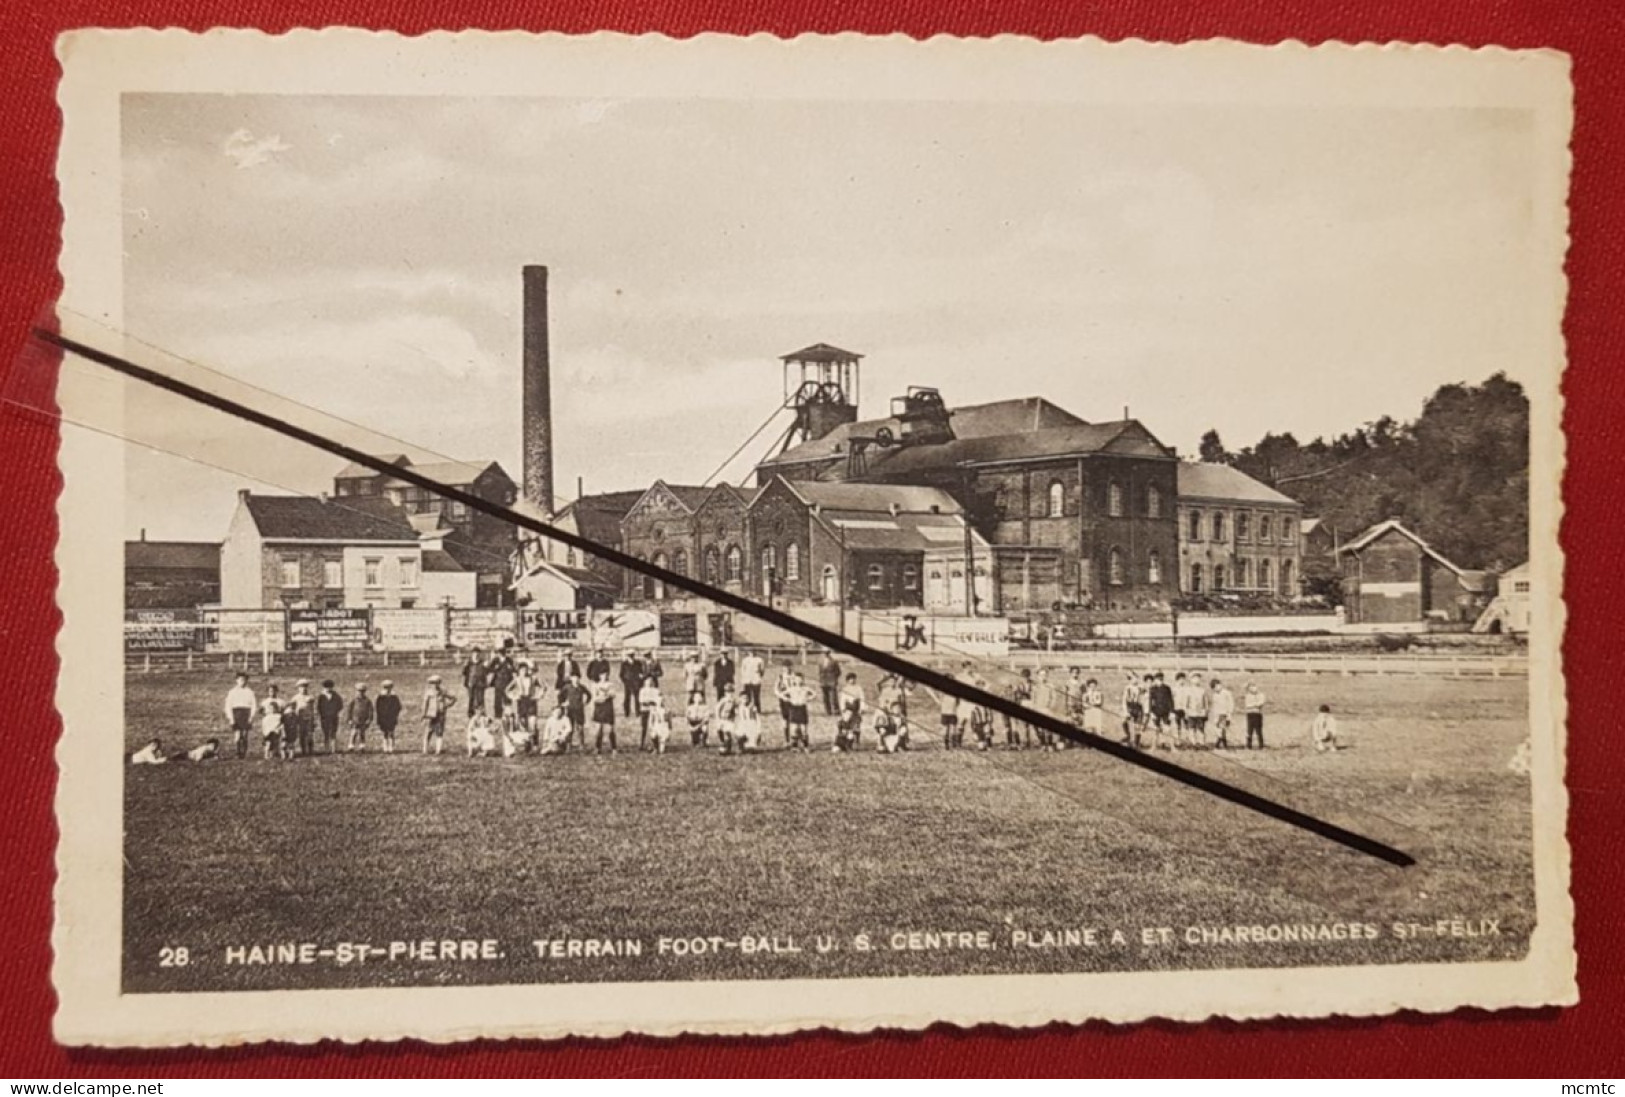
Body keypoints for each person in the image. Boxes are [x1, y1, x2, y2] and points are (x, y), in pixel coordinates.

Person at [223, 672, 256, 760]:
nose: (242, 682)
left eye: (244, 680)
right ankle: (238, 752)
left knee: (245, 734)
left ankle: (243, 753)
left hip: (246, 713)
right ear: (236, 680)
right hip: (236, 713)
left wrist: (251, 717)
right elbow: (228, 705)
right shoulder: (232, 692)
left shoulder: (250, 692)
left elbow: (253, 705)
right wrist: (231, 718)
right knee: (237, 734)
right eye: (240, 680)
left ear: (247, 681)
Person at [422, 674, 453, 755]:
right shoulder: (428, 692)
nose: (434, 685)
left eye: (436, 683)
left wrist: (446, 705)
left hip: (440, 714)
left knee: (439, 732)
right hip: (430, 715)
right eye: (432, 683)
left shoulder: (443, 691)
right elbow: (425, 704)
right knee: (428, 732)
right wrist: (423, 714)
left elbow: (453, 698)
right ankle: (425, 749)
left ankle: (438, 750)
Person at [835, 673, 865, 752]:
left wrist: (861, 709)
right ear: (847, 681)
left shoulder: (858, 688)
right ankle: (844, 744)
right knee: (845, 727)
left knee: (856, 728)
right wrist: (843, 710)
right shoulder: (845, 689)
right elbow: (842, 700)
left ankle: (855, 744)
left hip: (856, 710)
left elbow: (862, 699)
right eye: (850, 679)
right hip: (848, 710)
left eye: (853, 679)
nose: (852, 680)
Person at [1005, 668, 1034, 750]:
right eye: (1024, 677)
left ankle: (1027, 741)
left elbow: (1033, 694)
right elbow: (1014, 695)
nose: (1025, 678)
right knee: (1019, 723)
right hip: (1021, 703)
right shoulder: (1018, 685)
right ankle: (1019, 741)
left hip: (1029, 703)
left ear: (1029, 677)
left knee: (1027, 724)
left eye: (1027, 677)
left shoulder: (1032, 684)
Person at [590, 675, 618, 754]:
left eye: (605, 674)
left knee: (610, 728)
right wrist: (601, 698)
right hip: (599, 708)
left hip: (608, 707)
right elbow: (594, 698)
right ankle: (597, 748)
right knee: (599, 728)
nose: (603, 676)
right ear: (599, 675)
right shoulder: (596, 685)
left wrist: (607, 695)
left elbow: (613, 695)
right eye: (602, 674)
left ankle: (614, 748)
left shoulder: (610, 684)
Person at [289, 679, 316, 757]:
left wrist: (313, 719)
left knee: (310, 735)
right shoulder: (295, 698)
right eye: (301, 687)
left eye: (305, 687)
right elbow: (292, 708)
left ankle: (311, 750)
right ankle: (303, 750)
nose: (303, 689)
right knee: (302, 735)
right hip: (299, 719)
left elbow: (312, 709)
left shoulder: (310, 697)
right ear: (298, 688)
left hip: (309, 718)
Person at [316, 679, 343, 754]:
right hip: (324, 718)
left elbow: (340, 705)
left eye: (329, 687)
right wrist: (322, 715)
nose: (328, 689)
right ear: (323, 688)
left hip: (333, 717)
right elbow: (319, 707)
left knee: (333, 733)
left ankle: (333, 749)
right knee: (326, 733)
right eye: (326, 687)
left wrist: (335, 712)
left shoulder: (336, 696)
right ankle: (326, 749)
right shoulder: (321, 696)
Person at [1148, 673, 1174, 751]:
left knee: (1168, 729)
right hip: (1156, 711)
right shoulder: (1152, 689)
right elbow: (1150, 701)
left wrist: (1172, 712)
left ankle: (1172, 747)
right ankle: (1153, 746)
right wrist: (1151, 713)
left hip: (1166, 711)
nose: (1160, 681)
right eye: (1158, 680)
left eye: (1161, 679)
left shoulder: (1167, 688)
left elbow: (1170, 701)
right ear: (1155, 680)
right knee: (1156, 729)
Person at [259, 684, 286, 760]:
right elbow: (261, 712)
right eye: (270, 691)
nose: (272, 692)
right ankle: (268, 753)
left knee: (277, 739)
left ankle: (276, 752)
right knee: (268, 740)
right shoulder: (265, 702)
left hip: (277, 722)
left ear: (276, 691)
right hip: (268, 723)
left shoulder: (281, 701)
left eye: (274, 691)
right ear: (268, 692)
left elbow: (284, 712)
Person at [375, 680, 402, 754]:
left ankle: (391, 747)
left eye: (389, 688)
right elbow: (377, 708)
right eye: (385, 688)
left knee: (391, 732)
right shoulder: (380, 697)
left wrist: (394, 714)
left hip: (391, 717)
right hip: (383, 717)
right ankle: (385, 747)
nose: (387, 689)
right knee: (384, 732)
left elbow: (398, 707)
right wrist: (380, 716)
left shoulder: (394, 697)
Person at [563, 674, 590, 750]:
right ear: (571, 678)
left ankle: (581, 744)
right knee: (569, 727)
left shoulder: (581, 687)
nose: (576, 679)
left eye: (577, 678)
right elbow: (560, 695)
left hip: (579, 710)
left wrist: (585, 702)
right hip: (570, 710)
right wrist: (563, 703)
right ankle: (568, 744)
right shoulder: (567, 687)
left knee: (580, 727)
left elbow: (589, 695)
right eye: (574, 678)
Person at [637, 674, 663, 751]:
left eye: (651, 681)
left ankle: (654, 744)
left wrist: (651, 702)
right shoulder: (642, 690)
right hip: (644, 710)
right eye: (647, 681)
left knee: (654, 727)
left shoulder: (656, 690)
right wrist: (650, 702)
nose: (649, 683)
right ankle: (642, 744)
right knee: (644, 727)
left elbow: (658, 700)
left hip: (654, 711)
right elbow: (641, 701)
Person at [346, 682, 374, 752]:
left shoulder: (367, 701)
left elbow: (371, 710)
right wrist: (349, 719)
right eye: (359, 691)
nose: (361, 693)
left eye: (362, 691)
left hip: (363, 719)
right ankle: (351, 745)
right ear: (356, 691)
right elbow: (349, 710)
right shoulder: (353, 700)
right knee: (354, 732)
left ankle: (362, 746)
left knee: (362, 732)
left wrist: (369, 719)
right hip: (355, 719)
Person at [713, 684, 739, 755]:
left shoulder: (734, 701)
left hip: (729, 720)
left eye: (731, 692)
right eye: (728, 692)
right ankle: (722, 742)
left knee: (728, 733)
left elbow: (736, 709)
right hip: (722, 719)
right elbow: (717, 709)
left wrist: (735, 714)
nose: (729, 694)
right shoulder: (723, 700)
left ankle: (728, 747)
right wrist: (718, 718)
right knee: (719, 729)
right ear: (725, 693)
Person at [489, 650, 515, 722]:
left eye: (503, 652)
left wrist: (511, 668)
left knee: (507, 701)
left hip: (507, 684)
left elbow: (514, 670)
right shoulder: (495, 660)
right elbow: (489, 669)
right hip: (498, 684)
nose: (501, 654)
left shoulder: (509, 660)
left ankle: (508, 717)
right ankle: (498, 716)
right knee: (497, 701)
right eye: (500, 652)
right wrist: (495, 668)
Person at [1120, 672, 1145, 748]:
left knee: (1138, 726)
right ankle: (1128, 736)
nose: (1135, 680)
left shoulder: (1140, 688)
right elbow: (1124, 700)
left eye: (1137, 678)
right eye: (1134, 678)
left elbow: (1144, 697)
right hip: (1130, 707)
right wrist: (1125, 710)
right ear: (1130, 680)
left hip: (1138, 707)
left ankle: (1136, 743)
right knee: (1125, 721)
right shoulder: (1127, 688)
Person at [462, 647, 488, 716]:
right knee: (471, 699)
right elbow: (464, 673)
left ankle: (482, 714)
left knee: (480, 699)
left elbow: (487, 672)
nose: (476, 655)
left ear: (479, 654)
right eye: (474, 653)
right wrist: (465, 666)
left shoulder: (482, 663)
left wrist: (486, 666)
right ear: (472, 654)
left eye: (477, 653)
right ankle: (471, 713)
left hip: (480, 684)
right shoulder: (469, 663)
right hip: (471, 683)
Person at [1210, 678, 1235, 748]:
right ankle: (1222, 742)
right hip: (1217, 714)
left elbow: (1231, 703)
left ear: (1220, 685)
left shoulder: (1226, 693)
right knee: (1218, 728)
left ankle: (1220, 742)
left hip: (1225, 714)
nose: (1216, 688)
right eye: (1214, 688)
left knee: (1222, 728)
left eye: (1217, 686)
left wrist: (1229, 713)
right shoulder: (1214, 695)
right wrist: (1214, 715)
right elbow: (1214, 705)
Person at [1186, 675, 1210, 748]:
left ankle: (1201, 743)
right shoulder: (1188, 690)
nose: (1197, 680)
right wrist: (1187, 712)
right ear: (1191, 680)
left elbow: (1206, 702)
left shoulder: (1203, 690)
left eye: (1198, 679)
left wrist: (1206, 711)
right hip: (1191, 712)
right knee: (1191, 728)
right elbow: (1186, 702)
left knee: (1201, 728)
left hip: (1201, 713)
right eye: (1195, 679)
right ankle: (1193, 743)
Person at [1242, 682, 1268, 749]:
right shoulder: (1248, 695)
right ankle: (1248, 745)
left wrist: (1253, 704)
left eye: (1253, 686)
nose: (1252, 689)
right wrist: (1255, 704)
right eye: (1250, 688)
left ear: (1256, 687)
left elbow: (1261, 703)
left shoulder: (1261, 695)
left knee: (1258, 731)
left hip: (1257, 714)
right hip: (1250, 714)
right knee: (1249, 730)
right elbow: (1247, 705)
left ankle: (1261, 746)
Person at [818, 651, 842, 716]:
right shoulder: (821, 661)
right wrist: (821, 680)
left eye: (827, 653)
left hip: (832, 682)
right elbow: (820, 672)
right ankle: (828, 711)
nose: (825, 654)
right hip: (823, 682)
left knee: (833, 697)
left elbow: (838, 672)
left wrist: (834, 679)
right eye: (824, 653)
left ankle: (836, 711)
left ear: (829, 653)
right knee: (825, 698)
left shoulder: (834, 661)